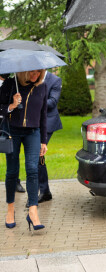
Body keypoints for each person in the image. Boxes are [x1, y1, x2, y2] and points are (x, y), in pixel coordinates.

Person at [0, 70, 48, 232]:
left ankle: (33, 211)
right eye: (32, 71)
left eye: (39, 71)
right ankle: (10, 210)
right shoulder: (9, 84)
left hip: (33, 133)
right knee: (12, 171)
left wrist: (43, 141)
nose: (36, 74)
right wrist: (12, 105)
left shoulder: (42, 87)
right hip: (12, 132)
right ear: (24, 71)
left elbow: (43, 115)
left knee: (33, 170)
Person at [24, 71, 62, 206]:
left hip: (48, 122)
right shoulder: (30, 77)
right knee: (38, 157)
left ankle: (36, 195)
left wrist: (35, 99)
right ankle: (45, 191)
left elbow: (52, 102)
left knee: (35, 156)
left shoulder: (55, 80)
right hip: (31, 122)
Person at [1, 74, 25, 194]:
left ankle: (14, 182)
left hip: (6, 124)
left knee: (12, 154)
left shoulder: (12, 82)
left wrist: (14, 104)